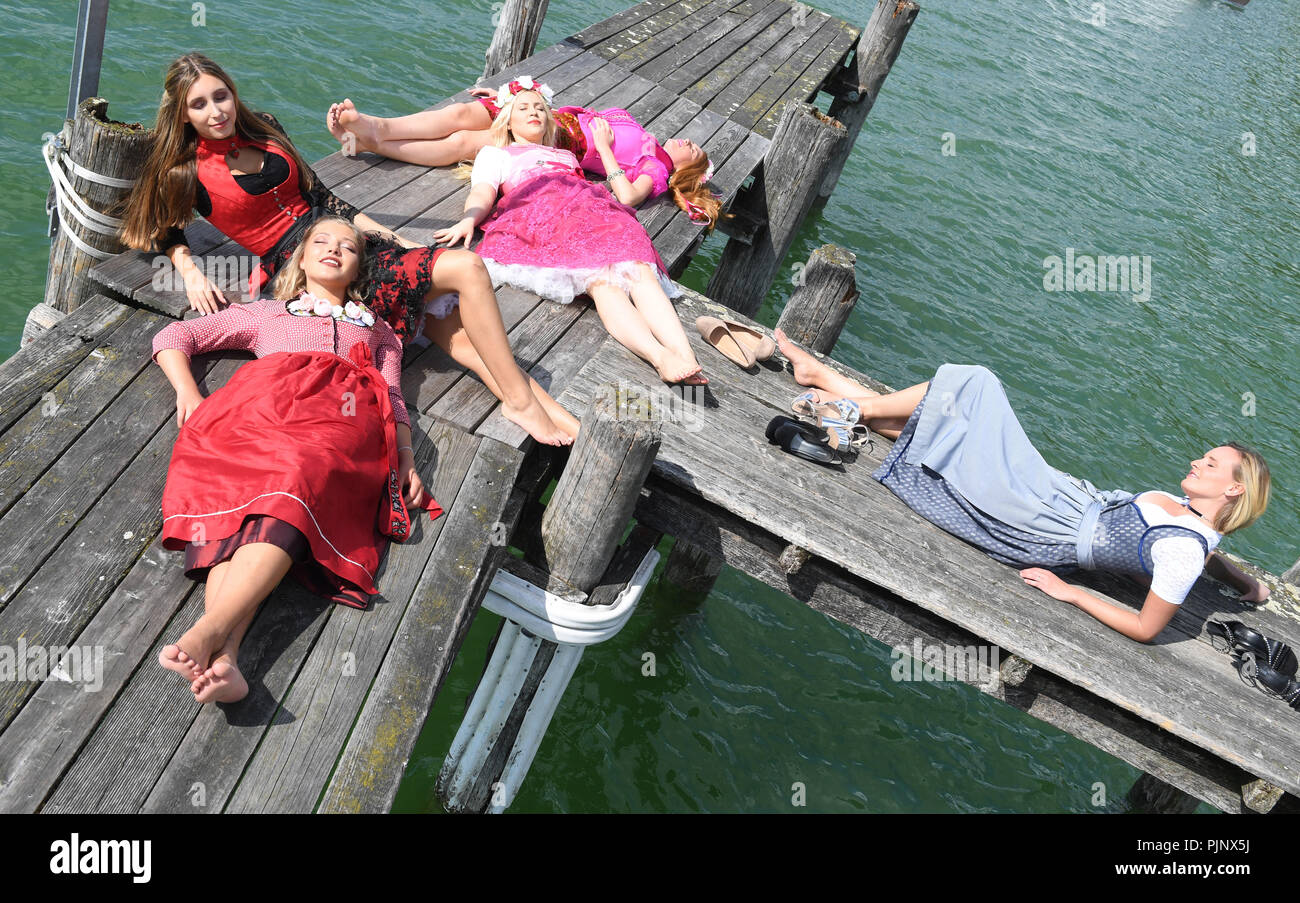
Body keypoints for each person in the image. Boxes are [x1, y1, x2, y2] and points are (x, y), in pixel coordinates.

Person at [120, 53, 576, 445]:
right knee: (467, 268)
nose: (216, 111)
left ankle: (546, 408)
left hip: (347, 239)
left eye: (221, 96)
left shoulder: (267, 129)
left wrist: (392, 239)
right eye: (199, 104)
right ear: (182, 114)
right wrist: (190, 269)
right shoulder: (184, 173)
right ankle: (523, 404)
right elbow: (158, 227)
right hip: (301, 268)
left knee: (447, 320)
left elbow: (324, 197)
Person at [774, 329, 1272, 644]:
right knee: (944, 433)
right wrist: (1244, 582)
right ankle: (822, 378)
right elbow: (1205, 551)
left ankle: (847, 405)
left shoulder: (1184, 552)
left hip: (1038, 523)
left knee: (976, 386)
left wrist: (1071, 594)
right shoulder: (1192, 524)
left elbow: (1147, 627)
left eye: (1209, 465)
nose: (1195, 463)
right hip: (1055, 495)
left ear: (1232, 492)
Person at [152, 217, 440, 704]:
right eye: (321, 242)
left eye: (347, 247)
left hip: (339, 422)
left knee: (297, 477)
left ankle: (208, 630)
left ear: (357, 268)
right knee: (239, 516)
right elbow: (175, 337)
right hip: (261, 413)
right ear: (301, 258)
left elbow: (392, 397)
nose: (333, 250)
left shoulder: (381, 333)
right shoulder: (268, 314)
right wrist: (189, 392)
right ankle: (224, 660)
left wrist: (406, 458)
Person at [433, 83, 707, 386]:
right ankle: (660, 356)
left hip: (593, 212)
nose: (533, 112)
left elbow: (618, 186)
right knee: (602, 282)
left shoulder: (565, 155)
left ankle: (685, 354)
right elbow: (483, 191)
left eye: (539, 108)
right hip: (545, 213)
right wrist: (469, 219)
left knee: (639, 268)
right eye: (522, 108)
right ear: (507, 120)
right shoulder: (496, 154)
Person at [326, 77, 723, 226]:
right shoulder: (647, 135)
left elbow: (629, 197)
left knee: (464, 144)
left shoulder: (654, 166)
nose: (689, 142)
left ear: (686, 170)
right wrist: (524, 99)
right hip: (539, 114)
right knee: (463, 111)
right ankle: (376, 128)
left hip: (552, 140)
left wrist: (603, 149)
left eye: (695, 150)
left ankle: (367, 141)